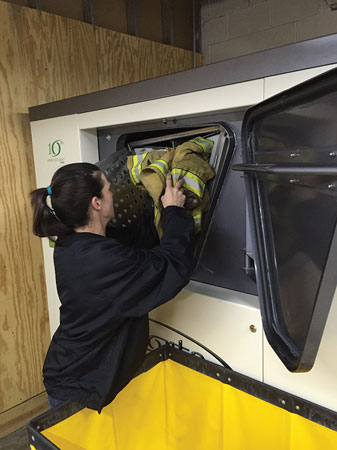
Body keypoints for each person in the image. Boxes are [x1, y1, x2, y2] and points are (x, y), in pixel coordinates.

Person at [30, 162, 195, 412]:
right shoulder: (101, 260)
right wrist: (174, 211)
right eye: (108, 188)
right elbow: (171, 265)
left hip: (74, 372)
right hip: (78, 387)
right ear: (96, 203)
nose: (113, 193)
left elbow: (132, 248)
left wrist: (156, 205)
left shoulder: (73, 243)